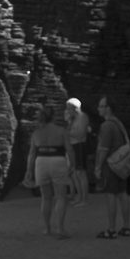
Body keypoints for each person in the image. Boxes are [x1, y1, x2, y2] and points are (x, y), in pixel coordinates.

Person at [26, 101, 74, 238]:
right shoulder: (61, 131)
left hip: (41, 162)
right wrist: (73, 165)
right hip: (58, 161)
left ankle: (47, 228)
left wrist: (29, 170)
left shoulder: (37, 133)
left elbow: (32, 154)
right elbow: (69, 150)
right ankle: (60, 228)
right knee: (60, 197)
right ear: (53, 117)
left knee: (46, 198)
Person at [93, 95, 130, 238]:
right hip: (121, 164)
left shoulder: (106, 126)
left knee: (110, 195)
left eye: (101, 106)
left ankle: (111, 229)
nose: (99, 109)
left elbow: (103, 149)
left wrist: (98, 166)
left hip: (110, 165)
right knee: (123, 194)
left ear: (108, 108)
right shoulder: (118, 123)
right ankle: (126, 227)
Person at [64, 96, 92, 206]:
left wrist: (67, 133)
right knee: (75, 173)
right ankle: (79, 197)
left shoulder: (83, 117)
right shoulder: (74, 118)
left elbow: (80, 135)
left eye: (69, 108)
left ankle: (84, 200)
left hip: (80, 147)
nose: (67, 110)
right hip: (74, 147)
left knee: (81, 173)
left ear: (75, 108)